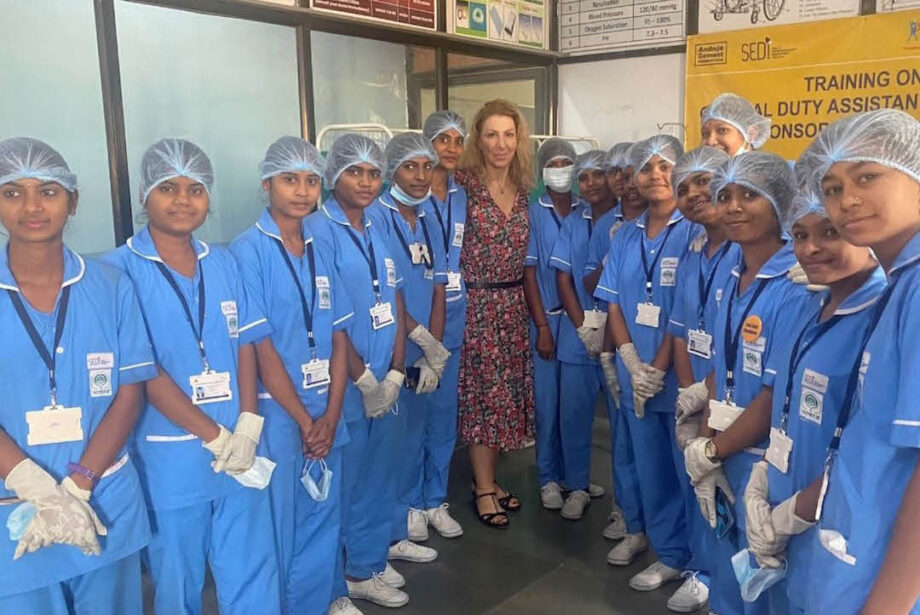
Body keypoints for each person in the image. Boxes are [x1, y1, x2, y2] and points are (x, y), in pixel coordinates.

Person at [102, 138, 280, 615]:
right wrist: (213, 434)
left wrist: (246, 422)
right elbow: (143, 370)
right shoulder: (116, 272)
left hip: (239, 448)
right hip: (170, 458)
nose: (183, 199)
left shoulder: (223, 261)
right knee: (175, 578)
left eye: (195, 188)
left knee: (250, 564)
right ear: (144, 195)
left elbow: (243, 341)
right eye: (168, 187)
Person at [0, 138, 155, 614]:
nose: (31, 206)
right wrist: (37, 488)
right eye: (12, 192)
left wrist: (80, 484)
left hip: (103, 496)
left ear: (73, 201)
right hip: (17, 508)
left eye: (47, 191)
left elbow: (130, 391)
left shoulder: (109, 285)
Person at [795, 109, 920, 615]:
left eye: (868, 176)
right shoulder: (901, 284)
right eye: (831, 187)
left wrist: (885, 607)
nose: (847, 200)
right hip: (860, 544)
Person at [739, 186, 883, 615]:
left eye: (830, 233)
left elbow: (870, 457)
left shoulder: (882, 320)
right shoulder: (807, 308)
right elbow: (783, 404)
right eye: (800, 235)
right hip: (784, 505)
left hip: (834, 529)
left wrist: (787, 518)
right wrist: (763, 475)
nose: (810, 248)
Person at [682, 151, 810, 615]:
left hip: (761, 463)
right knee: (725, 572)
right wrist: (704, 444)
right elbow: (724, 364)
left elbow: (775, 393)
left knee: (762, 579)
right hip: (724, 446)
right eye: (726, 195)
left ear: (782, 203)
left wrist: (714, 451)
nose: (734, 206)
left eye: (750, 195)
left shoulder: (796, 284)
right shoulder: (729, 272)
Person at [229, 136, 352, 614]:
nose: (302, 190)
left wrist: (333, 413)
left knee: (324, 515)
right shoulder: (248, 251)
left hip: (327, 407)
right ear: (266, 185)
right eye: (289, 179)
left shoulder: (320, 245)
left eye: (310, 180)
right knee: (279, 525)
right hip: (281, 415)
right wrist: (305, 421)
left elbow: (340, 335)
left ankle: (319, 603)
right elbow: (260, 349)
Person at [305, 134, 408, 615]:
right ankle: (333, 589)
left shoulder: (377, 227)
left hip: (385, 379)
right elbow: (330, 320)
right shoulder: (315, 233)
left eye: (373, 173)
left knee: (377, 478)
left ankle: (365, 568)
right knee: (337, 492)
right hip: (344, 387)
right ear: (333, 176)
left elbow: (396, 298)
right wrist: (363, 379)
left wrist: (396, 372)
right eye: (354, 172)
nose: (366, 182)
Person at [594, 134, 695, 592]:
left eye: (664, 165)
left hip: (680, 375)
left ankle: (698, 564)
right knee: (647, 464)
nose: (655, 174)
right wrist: (628, 360)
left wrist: (656, 368)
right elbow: (613, 300)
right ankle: (661, 548)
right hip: (638, 373)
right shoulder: (626, 235)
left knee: (686, 467)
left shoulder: (694, 230)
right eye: (646, 167)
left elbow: (685, 309)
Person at [367, 132, 453, 552]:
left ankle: (426, 501)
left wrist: (435, 348)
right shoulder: (376, 217)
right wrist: (418, 339)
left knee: (430, 426)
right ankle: (399, 515)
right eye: (409, 167)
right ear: (391, 170)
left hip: (429, 341)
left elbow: (438, 281)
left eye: (427, 166)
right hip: (395, 344)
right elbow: (387, 292)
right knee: (397, 438)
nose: (420, 176)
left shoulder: (430, 212)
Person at [455, 99, 534, 528]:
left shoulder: (524, 189)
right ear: (478, 139)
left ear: (518, 139)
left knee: (508, 401)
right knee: (484, 400)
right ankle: (483, 487)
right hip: (478, 304)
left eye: (508, 134)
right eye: (491, 134)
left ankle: (490, 479)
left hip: (514, 304)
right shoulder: (462, 185)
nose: (500, 144)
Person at [665, 145, 735, 614]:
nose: (693, 194)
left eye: (704, 182)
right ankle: (698, 568)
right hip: (695, 390)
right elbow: (679, 327)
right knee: (693, 483)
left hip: (730, 399)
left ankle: (722, 581)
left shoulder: (747, 251)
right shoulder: (693, 251)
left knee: (727, 494)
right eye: (683, 188)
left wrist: (709, 412)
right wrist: (690, 398)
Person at [549, 149, 622, 520]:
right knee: (574, 415)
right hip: (577, 333)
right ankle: (577, 486)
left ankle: (624, 503)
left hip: (619, 333)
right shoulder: (575, 220)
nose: (591, 183)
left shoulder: (624, 221)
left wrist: (607, 332)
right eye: (585, 177)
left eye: (599, 175)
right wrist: (581, 326)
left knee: (622, 424)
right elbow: (562, 275)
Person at [585, 141, 647, 544]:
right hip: (621, 343)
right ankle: (628, 516)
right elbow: (594, 284)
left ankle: (669, 538)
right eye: (617, 173)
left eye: (633, 171)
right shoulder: (610, 225)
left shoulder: (680, 226)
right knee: (624, 440)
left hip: (662, 351)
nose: (624, 181)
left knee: (661, 449)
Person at [523, 137, 581, 511]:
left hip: (578, 321)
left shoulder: (585, 210)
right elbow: (529, 272)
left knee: (574, 404)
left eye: (566, 163)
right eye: (553, 163)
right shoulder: (533, 212)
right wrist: (542, 326)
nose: (560, 170)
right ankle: (548, 477)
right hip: (545, 318)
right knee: (547, 404)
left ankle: (576, 480)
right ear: (542, 170)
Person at [421, 110, 469, 537]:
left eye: (457, 140)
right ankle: (408, 503)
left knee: (443, 417)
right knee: (411, 418)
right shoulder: (410, 199)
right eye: (442, 140)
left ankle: (434, 498)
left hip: (454, 316)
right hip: (417, 319)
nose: (451, 148)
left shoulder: (462, 195)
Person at [700, 93, 771, 157]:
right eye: (705, 133)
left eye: (722, 130)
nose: (710, 141)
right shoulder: (698, 170)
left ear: (751, 134)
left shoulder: (768, 170)